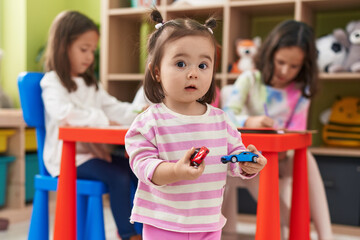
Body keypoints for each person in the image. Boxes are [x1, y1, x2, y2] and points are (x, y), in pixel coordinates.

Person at [124, 9, 267, 240]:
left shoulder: (220, 120)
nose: (193, 74)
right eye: (181, 63)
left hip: (209, 221)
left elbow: (231, 157)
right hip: (163, 222)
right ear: (157, 72)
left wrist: (246, 162)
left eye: (203, 66)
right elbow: (143, 167)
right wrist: (175, 171)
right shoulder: (148, 122)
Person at [222, 20, 333, 240]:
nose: (285, 71)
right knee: (264, 167)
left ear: (305, 65)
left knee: (307, 158)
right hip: (251, 157)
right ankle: (295, 229)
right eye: (281, 61)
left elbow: (297, 131)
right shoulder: (250, 79)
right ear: (270, 53)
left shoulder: (301, 90)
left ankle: (325, 235)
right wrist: (250, 120)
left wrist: (283, 146)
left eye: (294, 66)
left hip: (283, 155)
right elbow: (226, 115)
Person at [40, 11, 143, 240]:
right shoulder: (52, 82)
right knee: (118, 177)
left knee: (138, 168)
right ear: (63, 46)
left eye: (92, 51)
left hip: (92, 155)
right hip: (66, 160)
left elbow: (114, 108)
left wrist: (139, 114)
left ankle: (144, 229)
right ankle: (128, 235)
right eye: (83, 49)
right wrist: (103, 120)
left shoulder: (91, 83)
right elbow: (64, 114)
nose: (89, 57)